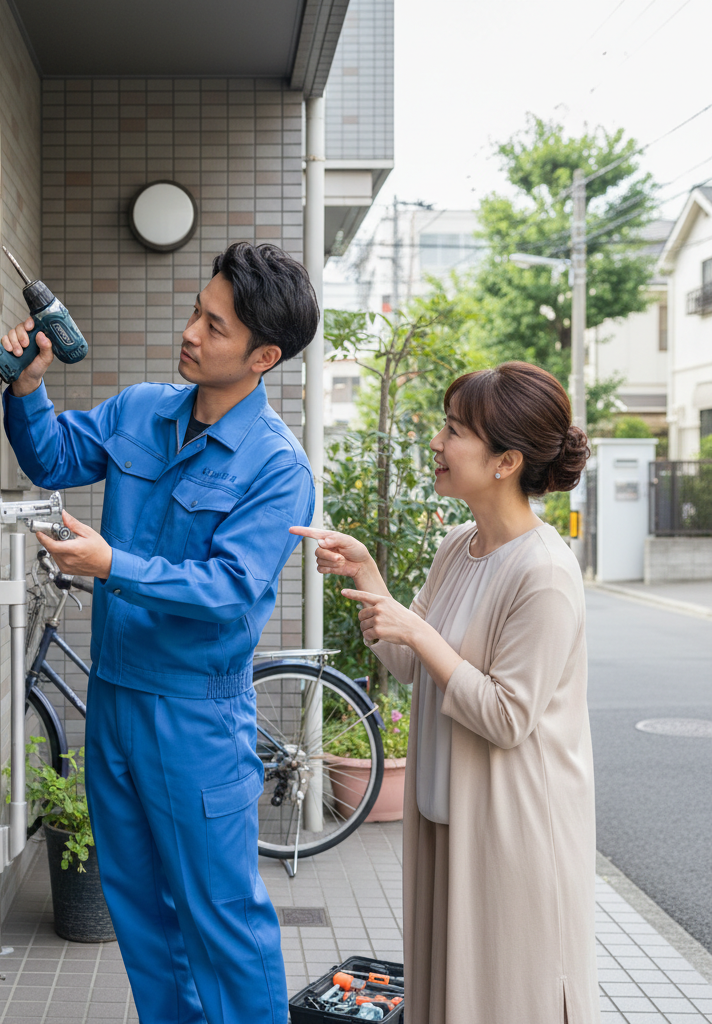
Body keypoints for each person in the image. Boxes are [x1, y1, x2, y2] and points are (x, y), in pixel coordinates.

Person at [0, 242, 317, 1024]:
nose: (190, 332)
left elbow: (232, 590)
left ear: (263, 356)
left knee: (221, 922)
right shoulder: (143, 408)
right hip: (114, 703)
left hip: (196, 718)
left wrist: (112, 563)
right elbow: (51, 453)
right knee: (141, 919)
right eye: (196, 312)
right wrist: (30, 386)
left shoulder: (278, 468)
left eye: (214, 326)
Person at [292, 362, 601, 1024]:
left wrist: (416, 628)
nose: (436, 442)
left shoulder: (545, 572)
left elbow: (507, 716)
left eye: (455, 430)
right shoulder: (459, 547)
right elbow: (411, 664)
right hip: (448, 827)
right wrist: (369, 576)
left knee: (503, 1003)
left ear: (505, 461)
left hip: (513, 840)